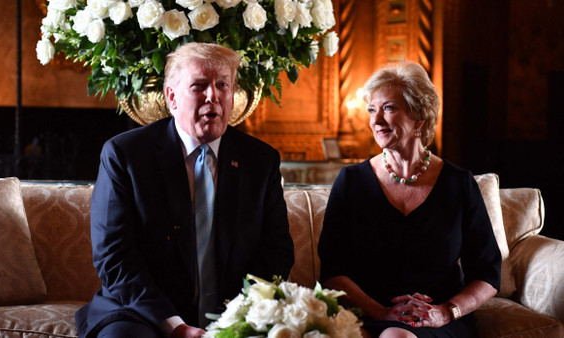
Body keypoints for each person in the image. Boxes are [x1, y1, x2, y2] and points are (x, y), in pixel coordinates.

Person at [75, 42, 294, 338]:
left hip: (235, 310)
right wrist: (175, 325)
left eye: (222, 85)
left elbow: (276, 253)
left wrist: (239, 318)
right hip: (143, 311)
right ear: (172, 97)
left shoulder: (261, 160)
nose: (213, 96)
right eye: (199, 86)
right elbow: (114, 257)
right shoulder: (126, 155)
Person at [317, 60, 501, 338]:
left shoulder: (458, 183)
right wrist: (381, 312)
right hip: (369, 313)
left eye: (388, 108)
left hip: (439, 319)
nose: (375, 120)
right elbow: (333, 271)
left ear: (419, 118)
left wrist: (446, 311)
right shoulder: (351, 181)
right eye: (371, 110)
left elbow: (487, 273)